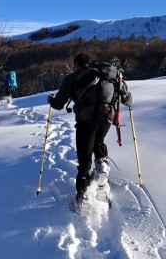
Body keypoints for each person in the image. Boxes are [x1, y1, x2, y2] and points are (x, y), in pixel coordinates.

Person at [47, 53, 133, 205]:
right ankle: (102, 166)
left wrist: (51, 100)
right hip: (106, 118)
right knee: (98, 141)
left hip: (85, 121)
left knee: (84, 159)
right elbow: (128, 100)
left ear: (76, 64)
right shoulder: (109, 75)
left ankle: (82, 199)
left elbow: (59, 104)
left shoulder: (73, 77)